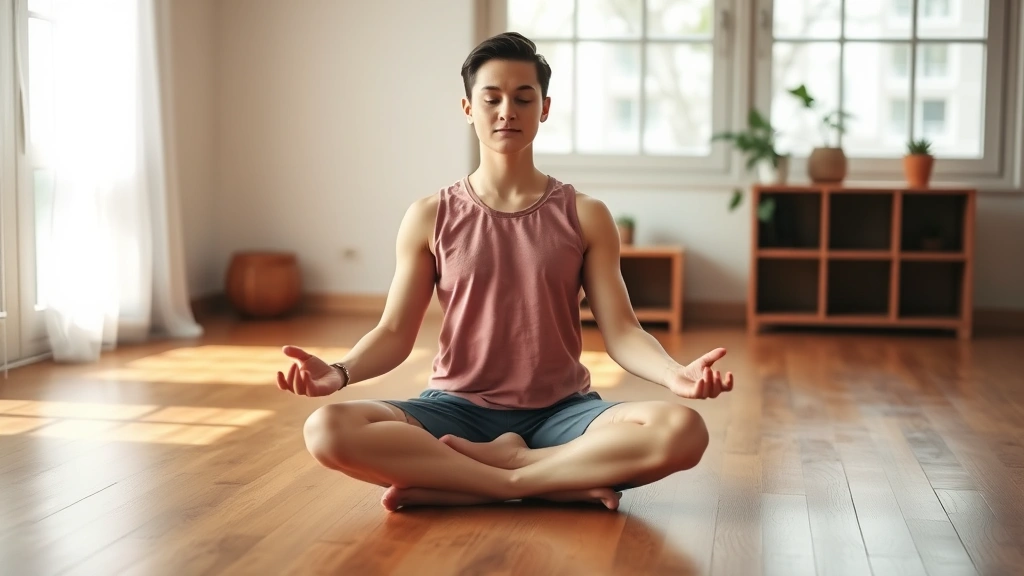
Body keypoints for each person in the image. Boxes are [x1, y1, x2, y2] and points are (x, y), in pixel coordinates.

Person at [276, 32, 734, 512]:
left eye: (523, 98)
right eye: (491, 98)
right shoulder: (430, 215)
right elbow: (394, 331)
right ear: (468, 108)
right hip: (454, 409)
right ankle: (540, 479)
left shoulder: (586, 214)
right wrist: (341, 372)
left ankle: (470, 480)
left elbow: (622, 330)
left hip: (565, 413)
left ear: (546, 107)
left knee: (682, 431)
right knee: (326, 429)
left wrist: (675, 374)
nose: (506, 111)